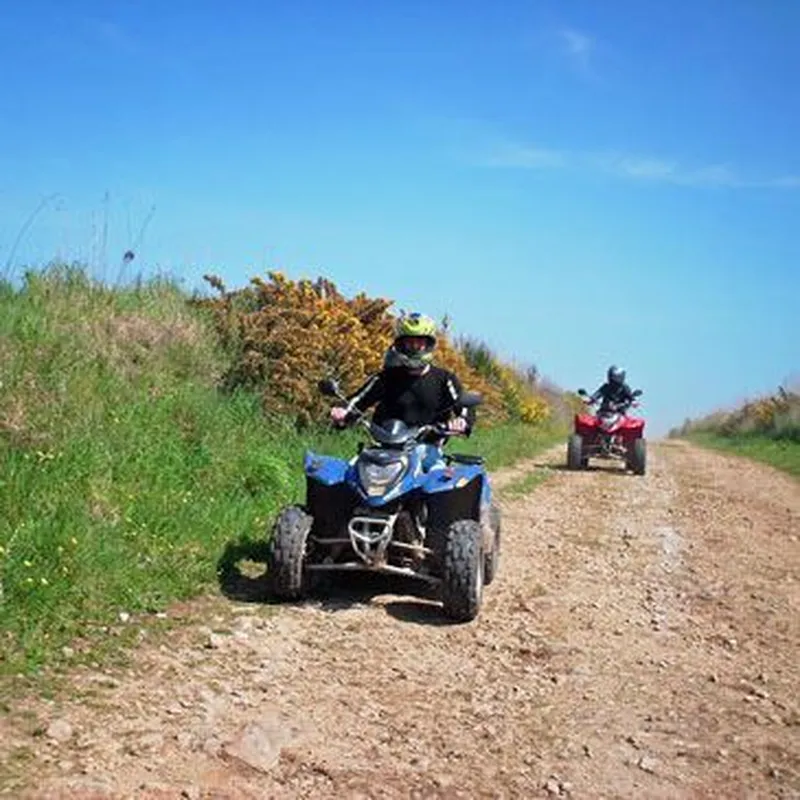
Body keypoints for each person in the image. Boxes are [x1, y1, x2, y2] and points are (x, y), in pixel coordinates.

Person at [330, 312, 473, 442]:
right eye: (409, 342)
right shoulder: (386, 377)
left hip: (427, 448)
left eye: (419, 342)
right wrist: (342, 411)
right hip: (384, 446)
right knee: (352, 469)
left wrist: (462, 420)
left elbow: (463, 405)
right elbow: (358, 399)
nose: (415, 346)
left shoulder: (445, 379)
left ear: (428, 344)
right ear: (400, 345)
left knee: (437, 470)